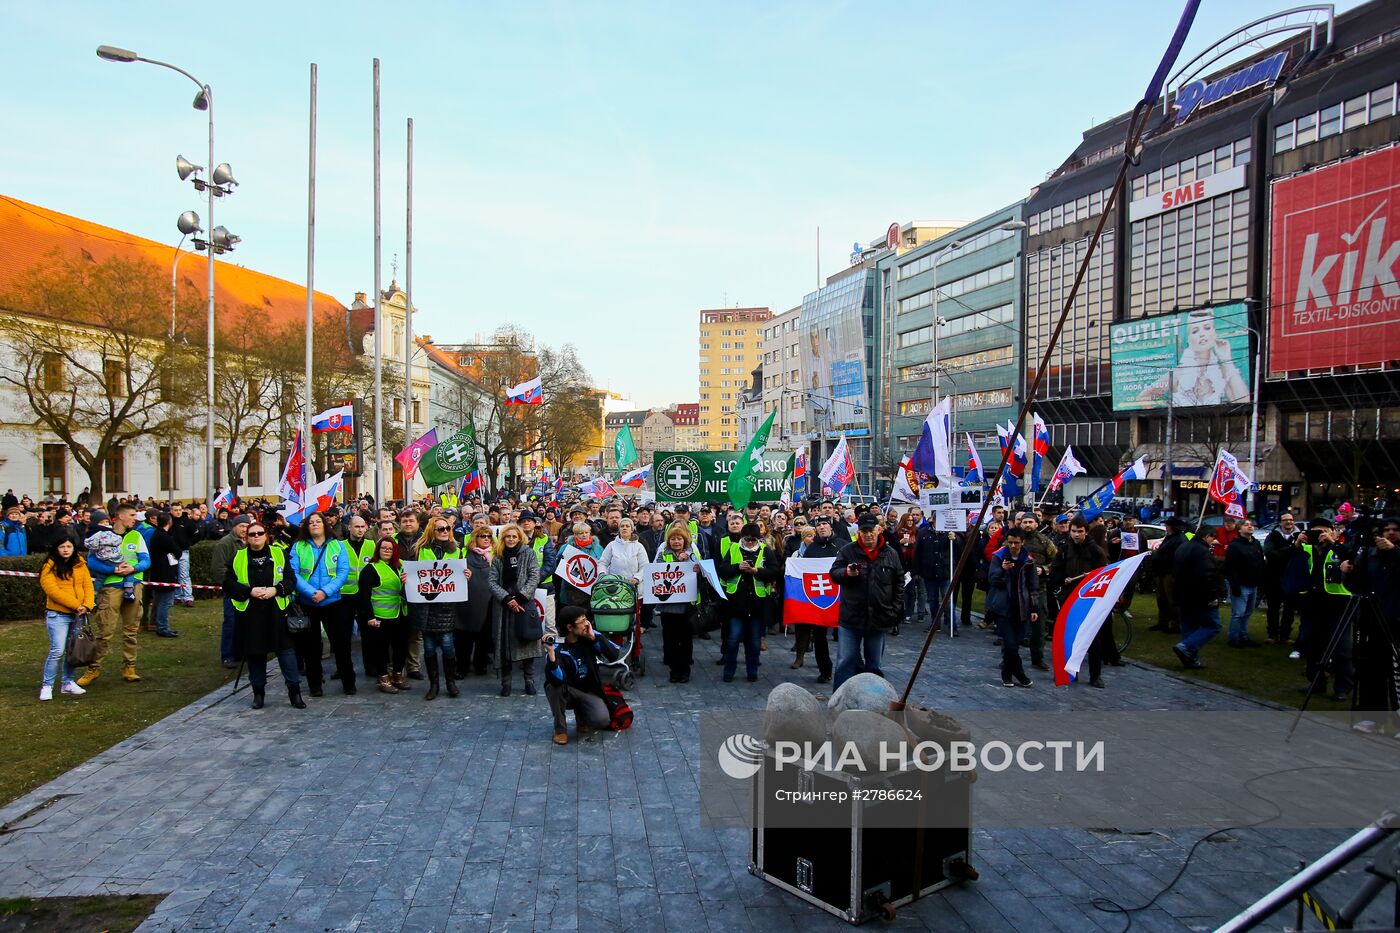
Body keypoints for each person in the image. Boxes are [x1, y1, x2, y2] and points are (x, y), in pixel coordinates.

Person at [223, 522, 304, 710]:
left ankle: (295, 693)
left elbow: (291, 580)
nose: (256, 537)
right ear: (247, 538)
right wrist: (249, 591)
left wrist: (276, 590)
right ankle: (258, 693)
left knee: (286, 654)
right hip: (251, 614)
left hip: (277, 613)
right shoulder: (238, 557)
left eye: (260, 533)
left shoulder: (278, 553)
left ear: (266, 536)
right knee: (255, 655)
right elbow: (228, 583)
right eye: (252, 534)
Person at [76, 504, 150, 687]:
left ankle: (129, 667)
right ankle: (94, 668)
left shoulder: (136, 535)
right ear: (120, 516)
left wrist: (134, 568)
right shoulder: (103, 535)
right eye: (132, 515)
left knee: (131, 631)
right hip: (110, 587)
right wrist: (113, 569)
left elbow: (146, 560)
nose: (135, 518)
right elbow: (91, 561)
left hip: (133, 586)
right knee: (105, 631)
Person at [829, 513, 902, 689]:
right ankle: (838, 703)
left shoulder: (890, 553)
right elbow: (834, 573)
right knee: (845, 663)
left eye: (871, 530)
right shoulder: (848, 551)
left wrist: (894, 609)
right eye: (864, 531)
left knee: (874, 666)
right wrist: (846, 573)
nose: (868, 534)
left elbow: (899, 582)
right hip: (851, 617)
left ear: (878, 530)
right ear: (858, 532)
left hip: (879, 616)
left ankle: (874, 703)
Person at [1342, 516, 1400, 729]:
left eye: (1395, 529)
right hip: (1371, 619)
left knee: (1396, 673)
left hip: (1396, 620)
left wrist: (1393, 553)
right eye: (1386, 530)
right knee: (1370, 669)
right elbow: (1357, 586)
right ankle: (1373, 718)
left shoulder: (1395, 554)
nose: (1390, 533)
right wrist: (1347, 573)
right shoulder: (1370, 555)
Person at [290, 513, 352, 697]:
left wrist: (325, 592)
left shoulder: (337, 545)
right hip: (308, 603)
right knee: (311, 648)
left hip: (332, 601)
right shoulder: (298, 546)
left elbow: (343, 572)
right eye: (311, 522)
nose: (315, 524)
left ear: (325, 525)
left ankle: (349, 682)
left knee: (341, 645)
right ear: (306, 527)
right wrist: (311, 593)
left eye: (318, 521)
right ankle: (315, 685)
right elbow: (293, 573)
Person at [544, 605, 624, 744]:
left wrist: (593, 638)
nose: (586, 624)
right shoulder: (558, 647)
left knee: (602, 720)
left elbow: (613, 655)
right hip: (566, 690)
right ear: (570, 627)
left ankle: (582, 718)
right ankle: (560, 730)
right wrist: (551, 655)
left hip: (587, 689)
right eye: (582, 621)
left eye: (586, 619)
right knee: (553, 687)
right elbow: (558, 679)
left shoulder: (589, 635)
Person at [413, 516, 468, 700]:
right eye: (441, 529)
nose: (445, 531)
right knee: (428, 648)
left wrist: (466, 575)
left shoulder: (457, 550)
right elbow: (413, 573)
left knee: (447, 646)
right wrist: (407, 578)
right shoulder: (421, 550)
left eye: (447, 528)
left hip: (447, 606)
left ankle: (450, 682)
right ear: (432, 531)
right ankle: (434, 685)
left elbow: (459, 577)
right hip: (426, 607)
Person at [716, 522, 779, 683]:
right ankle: (729, 670)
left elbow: (775, 572)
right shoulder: (734, 548)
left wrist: (757, 571)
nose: (749, 543)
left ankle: (752, 670)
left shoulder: (766, 550)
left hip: (757, 604)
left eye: (753, 540)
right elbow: (722, 571)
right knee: (733, 639)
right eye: (747, 539)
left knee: (754, 641)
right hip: (736, 603)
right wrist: (738, 567)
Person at [1298, 519, 1352, 701]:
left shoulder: (1339, 548)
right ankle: (1316, 682)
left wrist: (1333, 543)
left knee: (1340, 648)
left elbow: (1352, 557)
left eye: (1323, 532)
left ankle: (1342, 687)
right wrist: (1296, 544)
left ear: (1332, 532)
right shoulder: (1306, 549)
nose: (1319, 536)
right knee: (1312, 646)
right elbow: (1285, 561)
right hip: (1313, 604)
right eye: (1315, 532)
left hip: (1338, 604)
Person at [1052, 518, 1109, 687]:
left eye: (1080, 531)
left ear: (1086, 532)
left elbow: (1102, 573)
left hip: (1089, 599)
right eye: (1074, 531)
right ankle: (1070, 672)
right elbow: (1055, 571)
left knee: (1093, 638)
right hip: (1069, 597)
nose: (1076, 535)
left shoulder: (1095, 550)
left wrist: (1090, 578)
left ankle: (1095, 675)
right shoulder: (1063, 549)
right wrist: (1063, 579)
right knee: (1070, 636)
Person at [492, 523, 547, 697]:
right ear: (503, 538)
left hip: (524, 604)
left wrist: (521, 597)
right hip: (504, 606)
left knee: (526, 642)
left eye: (514, 536)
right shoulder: (497, 556)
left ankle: (529, 680)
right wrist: (507, 599)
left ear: (520, 537)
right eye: (508, 536)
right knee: (504, 646)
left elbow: (534, 576)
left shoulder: (528, 553)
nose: (511, 539)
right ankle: (506, 683)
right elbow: (492, 581)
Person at [38, 538, 94, 700]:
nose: (65, 549)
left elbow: (88, 586)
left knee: (73, 650)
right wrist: (76, 605)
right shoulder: (49, 565)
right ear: (56, 548)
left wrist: (87, 605)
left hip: (78, 614)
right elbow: (52, 590)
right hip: (58, 614)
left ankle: (67, 682)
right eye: (62, 546)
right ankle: (47, 686)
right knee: (57, 650)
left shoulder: (80, 564)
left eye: (69, 546)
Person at [987, 527, 1041, 688]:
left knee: (1015, 644)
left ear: (1022, 542)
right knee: (1009, 643)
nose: (1013, 546)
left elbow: (1033, 586)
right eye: (1010, 542)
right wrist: (1003, 571)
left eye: (1016, 543)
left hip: (1022, 606)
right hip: (1004, 607)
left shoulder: (1028, 560)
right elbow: (992, 579)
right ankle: (1020, 674)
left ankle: (1008, 673)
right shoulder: (999, 556)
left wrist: (1034, 608)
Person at [354, 537, 409, 694]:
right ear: (378, 550)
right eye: (383, 548)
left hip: (400, 613)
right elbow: (363, 596)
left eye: (390, 548)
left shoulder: (402, 566)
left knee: (401, 647)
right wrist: (370, 617)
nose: (387, 551)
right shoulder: (370, 569)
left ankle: (397, 675)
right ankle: (383, 678)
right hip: (380, 616)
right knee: (381, 649)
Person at [791, 517, 838, 683]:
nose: (822, 527)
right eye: (818, 525)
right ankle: (825, 670)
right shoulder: (812, 549)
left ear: (830, 526)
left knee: (846, 636)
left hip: (841, 600)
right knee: (820, 637)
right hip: (820, 598)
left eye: (825, 524)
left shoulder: (842, 545)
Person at [1172, 527, 1223, 670]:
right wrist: (1212, 595)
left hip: (1183, 594)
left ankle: (1190, 657)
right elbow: (1206, 575)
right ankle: (1187, 647)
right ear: (1207, 536)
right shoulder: (1202, 551)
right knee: (1213, 625)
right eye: (1213, 538)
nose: (1213, 542)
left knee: (1190, 626)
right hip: (1199, 595)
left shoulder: (1183, 547)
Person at [654, 522, 700, 683]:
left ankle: (685, 670)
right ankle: (674, 670)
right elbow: (657, 573)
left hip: (687, 605)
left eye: (679, 538)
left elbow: (700, 571)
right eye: (673, 538)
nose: (676, 542)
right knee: (670, 640)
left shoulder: (692, 553)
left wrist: (693, 566)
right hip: (668, 606)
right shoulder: (663, 553)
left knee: (686, 640)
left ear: (684, 539)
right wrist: (676, 563)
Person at [456, 527, 497, 678]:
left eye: (488, 536)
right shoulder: (464, 554)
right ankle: (462, 667)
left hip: (488, 602)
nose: (486, 538)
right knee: (464, 638)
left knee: (484, 637)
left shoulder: (496, 555)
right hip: (467, 603)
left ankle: (481, 665)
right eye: (482, 536)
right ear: (475, 538)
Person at [339, 515, 375, 679]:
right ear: (349, 528)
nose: (360, 529)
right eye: (356, 526)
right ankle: (343, 668)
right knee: (343, 635)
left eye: (362, 526)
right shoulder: (340, 546)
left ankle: (371, 666)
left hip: (365, 595)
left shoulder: (372, 545)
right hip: (345, 594)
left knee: (368, 633)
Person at [212, 517, 250, 667]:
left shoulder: (249, 542)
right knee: (231, 622)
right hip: (233, 591)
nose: (244, 529)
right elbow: (218, 569)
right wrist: (232, 585)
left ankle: (240, 652)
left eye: (247, 526)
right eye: (241, 526)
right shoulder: (225, 543)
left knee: (244, 623)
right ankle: (227, 655)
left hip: (248, 591)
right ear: (234, 527)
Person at [1263, 513, 1305, 646]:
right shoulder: (1272, 536)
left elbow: (1302, 555)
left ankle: (1285, 635)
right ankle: (1272, 634)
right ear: (1280, 522)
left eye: (1291, 520)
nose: (1288, 522)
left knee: (1290, 609)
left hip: (1293, 577)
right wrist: (1292, 549)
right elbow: (1270, 554)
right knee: (1273, 608)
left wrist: (1283, 552)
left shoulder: (1301, 536)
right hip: (1274, 577)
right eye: (1285, 520)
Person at [1224, 519, 1265, 648]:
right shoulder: (1235, 546)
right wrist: (1235, 586)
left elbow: (1260, 563)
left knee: (1247, 613)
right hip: (1241, 584)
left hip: (1254, 584)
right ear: (1239, 529)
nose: (1250, 527)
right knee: (1238, 613)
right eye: (1246, 525)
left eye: (1251, 525)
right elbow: (1230, 567)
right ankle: (1233, 638)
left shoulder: (1256, 543)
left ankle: (1243, 635)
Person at [913, 516, 955, 634]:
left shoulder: (949, 531)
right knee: (932, 600)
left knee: (948, 599)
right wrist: (917, 570)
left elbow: (959, 548)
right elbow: (918, 552)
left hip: (945, 571)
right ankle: (935, 623)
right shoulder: (923, 532)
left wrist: (955, 539)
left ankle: (953, 625)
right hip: (929, 571)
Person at [146, 511, 182, 638]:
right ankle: (162, 626)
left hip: (158, 571)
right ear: (169, 522)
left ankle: (155, 622)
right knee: (166, 601)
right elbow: (177, 551)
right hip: (165, 573)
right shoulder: (164, 536)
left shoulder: (157, 534)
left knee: (159, 599)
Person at [1151, 517, 1187, 634]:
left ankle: (1176, 624)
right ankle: (1163, 622)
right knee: (1162, 599)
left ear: (1172, 527)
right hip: (1162, 572)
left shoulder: (1180, 539)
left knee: (1172, 600)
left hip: (1170, 573)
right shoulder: (1169, 537)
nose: (1166, 527)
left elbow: (1179, 557)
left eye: (1167, 525)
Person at [557, 522, 603, 609]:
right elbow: (558, 564)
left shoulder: (598, 548)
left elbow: (603, 564)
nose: (584, 535)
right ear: (575, 535)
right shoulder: (566, 547)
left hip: (590, 587)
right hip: (570, 588)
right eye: (581, 533)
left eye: (586, 532)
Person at [600, 517, 648, 585]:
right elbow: (603, 563)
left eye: (627, 526)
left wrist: (637, 578)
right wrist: (602, 574)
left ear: (632, 529)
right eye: (622, 526)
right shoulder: (612, 545)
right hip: (614, 585)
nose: (624, 528)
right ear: (619, 530)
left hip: (634, 586)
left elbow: (645, 566)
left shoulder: (639, 546)